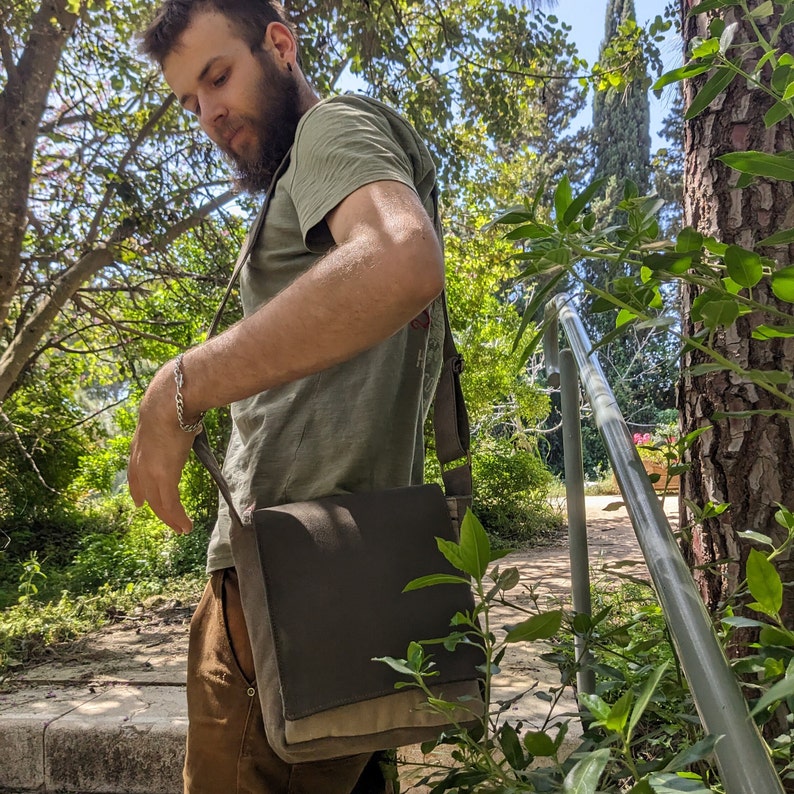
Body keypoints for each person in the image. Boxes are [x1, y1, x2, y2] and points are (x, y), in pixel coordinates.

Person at [129, 1, 446, 791]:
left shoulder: (330, 128)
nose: (208, 114)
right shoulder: (307, 171)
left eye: (218, 76)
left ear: (279, 44)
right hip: (354, 571)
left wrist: (180, 384)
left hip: (283, 580)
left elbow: (399, 261)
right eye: (188, 101)